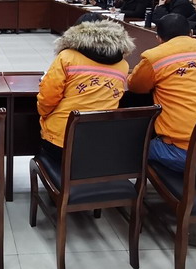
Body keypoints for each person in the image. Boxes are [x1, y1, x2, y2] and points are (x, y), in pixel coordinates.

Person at [128, 13, 196, 245]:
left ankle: (146, 209)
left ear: (159, 38)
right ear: (190, 33)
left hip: (183, 152)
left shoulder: (155, 56)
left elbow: (136, 86)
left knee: (137, 145)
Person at [37, 14, 134, 166]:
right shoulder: (123, 65)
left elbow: (47, 99)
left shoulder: (67, 57)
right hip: (102, 142)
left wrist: (44, 114)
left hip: (63, 142)